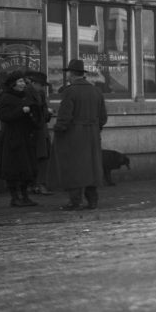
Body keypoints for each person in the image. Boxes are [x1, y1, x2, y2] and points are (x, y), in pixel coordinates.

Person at [53, 59, 108, 210]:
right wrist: (95, 128)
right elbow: (103, 117)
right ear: (82, 74)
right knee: (91, 167)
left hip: (74, 134)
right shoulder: (96, 91)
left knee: (74, 167)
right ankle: (92, 200)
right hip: (93, 134)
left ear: (71, 74)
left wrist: (58, 129)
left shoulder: (70, 91)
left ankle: (75, 201)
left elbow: (65, 116)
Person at [0, 71, 43, 207]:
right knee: (13, 169)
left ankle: (25, 196)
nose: (23, 84)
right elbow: (4, 116)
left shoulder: (26, 96)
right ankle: (15, 197)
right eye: (20, 82)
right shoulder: (6, 98)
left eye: (23, 82)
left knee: (27, 168)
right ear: (13, 84)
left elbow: (35, 111)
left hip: (26, 137)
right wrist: (21, 111)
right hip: (12, 138)